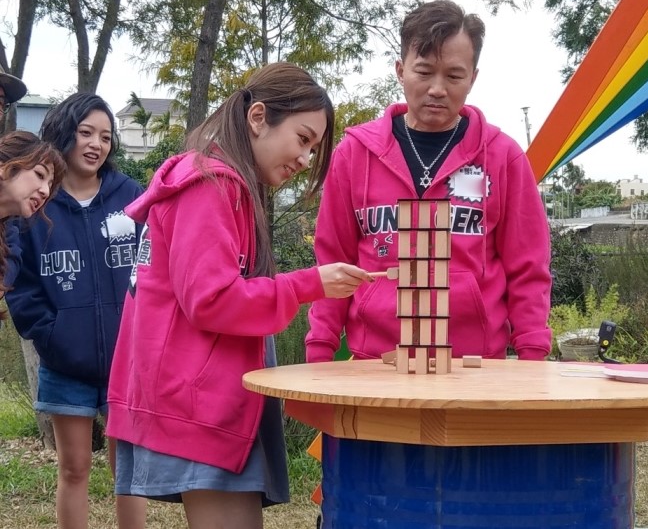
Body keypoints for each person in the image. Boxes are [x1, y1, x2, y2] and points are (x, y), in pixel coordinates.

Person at [105, 62, 372, 529]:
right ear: (258, 117)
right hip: (199, 405)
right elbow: (212, 301)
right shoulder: (211, 186)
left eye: (314, 147)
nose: (306, 159)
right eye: (303, 138)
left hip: (202, 399)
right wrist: (311, 283)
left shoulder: (222, 184)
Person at [306, 0, 553, 363]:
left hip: (476, 370)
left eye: (454, 75)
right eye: (424, 72)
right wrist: (319, 352)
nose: (438, 88)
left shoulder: (503, 158)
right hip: (375, 367)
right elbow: (332, 262)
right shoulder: (355, 155)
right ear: (400, 70)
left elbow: (528, 269)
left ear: (473, 77)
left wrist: (532, 357)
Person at [5, 93, 147, 529]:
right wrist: (51, 335)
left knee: (129, 474)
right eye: (85, 132)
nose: (95, 144)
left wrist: (143, 332)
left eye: (105, 136)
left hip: (129, 360)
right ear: (64, 132)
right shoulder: (36, 199)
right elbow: (21, 286)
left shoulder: (132, 196)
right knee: (74, 468)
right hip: (64, 361)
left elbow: (155, 267)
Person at [0, 130, 65, 295]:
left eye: (50, 185)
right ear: (3, 165)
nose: (45, 191)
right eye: (39, 174)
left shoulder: (9, 238)